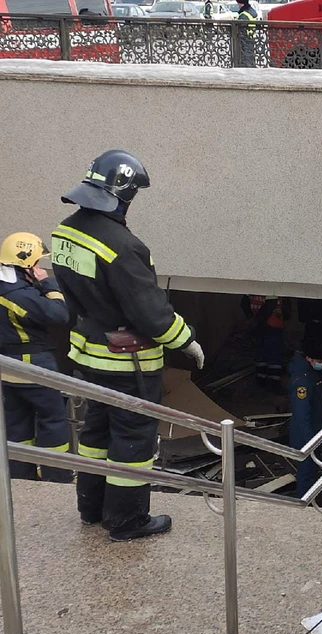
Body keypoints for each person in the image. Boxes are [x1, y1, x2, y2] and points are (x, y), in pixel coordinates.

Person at [52, 149, 205, 542]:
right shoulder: (124, 246)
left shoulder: (64, 233)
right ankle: (126, 520)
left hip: (87, 355)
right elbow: (151, 315)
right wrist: (186, 342)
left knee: (95, 437)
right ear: (124, 193)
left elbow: (74, 296)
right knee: (132, 442)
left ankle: (91, 509)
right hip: (128, 365)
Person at [0, 232, 72, 483]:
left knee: (17, 424)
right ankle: (57, 476)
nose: (40, 267)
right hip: (34, 367)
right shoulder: (21, 296)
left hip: (6, 370)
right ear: (27, 265)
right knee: (53, 421)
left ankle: (20, 478)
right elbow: (60, 315)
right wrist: (48, 285)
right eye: (38, 263)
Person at [288, 333, 322, 497]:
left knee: (312, 472)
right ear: (308, 358)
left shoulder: (312, 373)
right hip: (307, 437)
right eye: (320, 361)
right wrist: (311, 442)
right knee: (306, 474)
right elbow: (302, 415)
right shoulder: (303, 380)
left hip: (317, 432)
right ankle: (304, 506)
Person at [241, 294, 288, 393]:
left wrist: (252, 319)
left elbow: (244, 301)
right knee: (274, 354)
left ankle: (261, 380)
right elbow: (271, 303)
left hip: (261, 324)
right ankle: (273, 383)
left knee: (261, 352)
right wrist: (256, 320)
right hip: (271, 324)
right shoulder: (271, 285)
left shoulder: (252, 284)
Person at [236, 0, 258, 67]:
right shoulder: (252, 11)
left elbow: (240, 27)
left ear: (240, 3)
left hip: (245, 38)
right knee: (250, 56)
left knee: (246, 58)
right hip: (251, 36)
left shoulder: (244, 14)